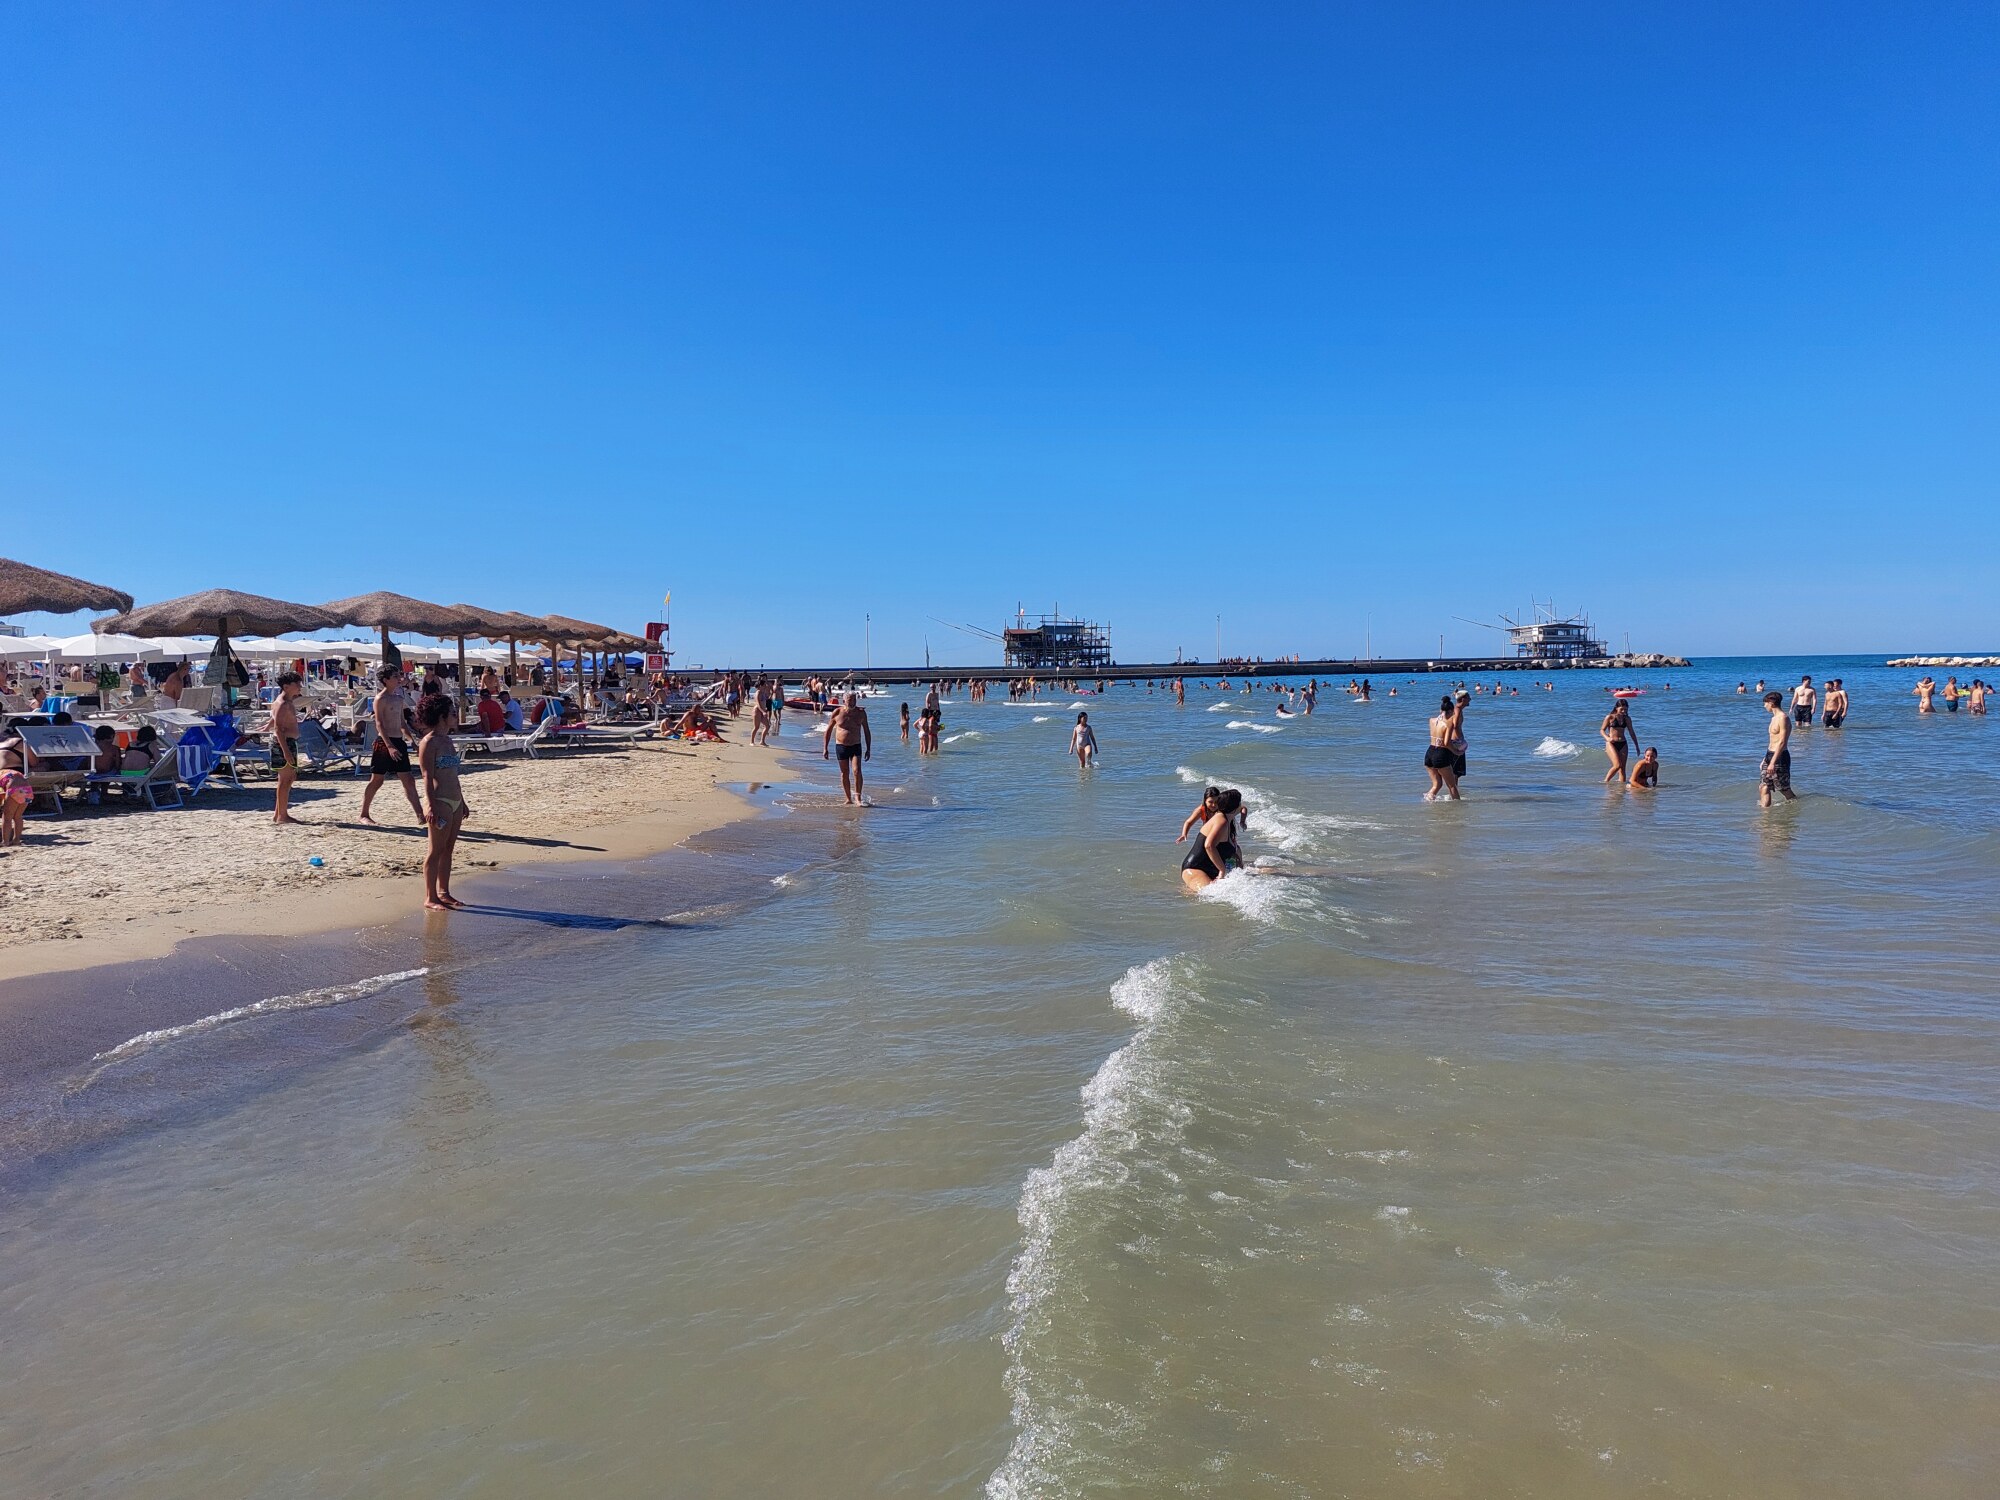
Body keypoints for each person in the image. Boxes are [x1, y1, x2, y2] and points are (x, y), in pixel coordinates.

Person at [417, 692, 469, 910]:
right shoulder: (428, 743)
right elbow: (427, 776)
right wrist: (429, 804)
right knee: (435, 850)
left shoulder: (447, 740)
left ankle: (444, 892)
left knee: (449, 849)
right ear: (441, 716)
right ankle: (430, 897)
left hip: (456, 801)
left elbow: (453, 774)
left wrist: (463, 800)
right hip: (440, 801)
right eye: (451, 713)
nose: (455, 717)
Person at [360, 664, 426, 825]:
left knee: (408, 779)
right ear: (385, 679)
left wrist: (412, 740)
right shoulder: (380, 699)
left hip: (398, 740)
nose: (399, 679)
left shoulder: (398, 698)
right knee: (377, 780)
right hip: (384, 742)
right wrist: (389, 746)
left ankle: (420, 814)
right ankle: (364, 814)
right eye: (395, 677)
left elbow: (402, 723)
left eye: (399, 676)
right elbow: (379, 724)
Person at [1181, 788, 1244, 891]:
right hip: (1195, 869)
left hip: (1210, 869)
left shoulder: (1226, 817)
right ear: (1234, 807)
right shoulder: (1221, 820)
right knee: (1210, 895)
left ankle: (1187, 890)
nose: (1241, 805)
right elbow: (1209, 845)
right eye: (1239, 803)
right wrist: (1222, 870)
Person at [823, 691, 871, 804]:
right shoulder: (837, 712)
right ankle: (848, 798)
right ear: (844, 701)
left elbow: (867, 731)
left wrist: (868, 748)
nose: (852, 702)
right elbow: (828, 731)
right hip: (841, 746)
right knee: (844, 772)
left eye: (854, 700)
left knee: (857, 770)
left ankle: (858, 797)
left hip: (856, 745)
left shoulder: (861, 713)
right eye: (850, 700)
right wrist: (825, 748)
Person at [270, 670, 304, 825]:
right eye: (296, 684)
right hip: (284, 743)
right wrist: (286, 752)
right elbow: (278, 729)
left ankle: (279, 814)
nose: (299, 686)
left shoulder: (286, 701)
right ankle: (282, 816)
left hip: (288, 742)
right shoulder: (283, 703)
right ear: (286, 686)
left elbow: (274, 720)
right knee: (285, 780)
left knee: (289, 778)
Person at [1760, 690, 1797, 808]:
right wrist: (1765, 759)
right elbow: (1772, 741)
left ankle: (1795, 807)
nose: (1764, 706)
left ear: (1771, 703)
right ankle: (1765, 817)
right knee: (1763, 786)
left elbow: (1782, 742)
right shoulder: (1773, 718)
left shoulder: (1783, 718)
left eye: (1765, 703)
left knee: (1783, 789)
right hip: (1769, 755)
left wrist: (1772, 763)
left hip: (1780, 757)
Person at [1423, 696, 1460, 801]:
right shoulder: (1448, 723)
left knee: (1437, 784)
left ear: (1440, 710)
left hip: (1429, 752)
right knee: (1452, 786)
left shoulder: (1431, 720)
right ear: (1451, 711)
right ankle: (1458, 808)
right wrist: (1456, 751)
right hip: (1441, 754)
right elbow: (1446, 742)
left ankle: (1428, 802)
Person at [1600, 699, 1636, 785]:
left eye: (1626, 709)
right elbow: (1601, 730)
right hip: (1611, 743)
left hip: (1623, 743)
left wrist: (1637, 746)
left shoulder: (1627, 719)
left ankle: (1621, 790)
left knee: (1622, 769)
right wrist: (1607, 738)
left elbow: (1632, 732)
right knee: (1617, 765)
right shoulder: (1610, 717)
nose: (1624, 711)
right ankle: (1605, 782)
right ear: (1616, 708)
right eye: (1621, 709)